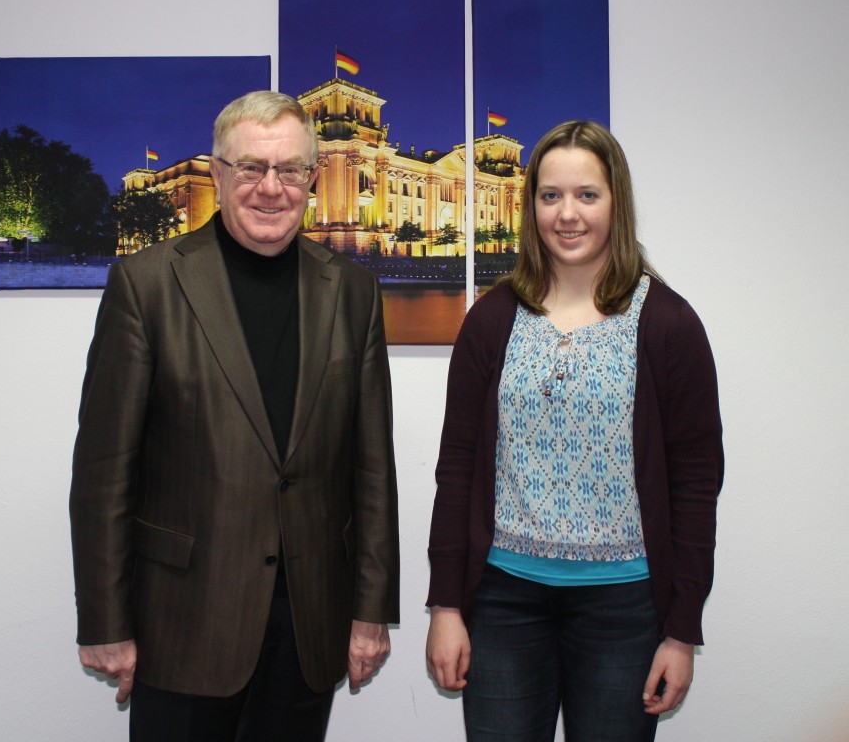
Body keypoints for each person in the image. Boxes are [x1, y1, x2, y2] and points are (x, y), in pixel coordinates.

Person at [70, 90, 400, 742]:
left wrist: (370, 611)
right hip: (183, 620)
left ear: (311, 179)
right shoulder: (146, 285)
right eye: (251, 168)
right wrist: (105, 620)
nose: (269, 188)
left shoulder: (353, 291)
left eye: (288, 171)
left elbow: (371, 466)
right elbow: (106, 471)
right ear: (218, 175)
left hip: (309, 622)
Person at [425, 121, 723, 741]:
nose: (568, 214)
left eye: (587, 195)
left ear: (617, 202)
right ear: (530, 204)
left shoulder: (667, 324)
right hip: (503, 603)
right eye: (550, 195)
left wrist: (682, 628)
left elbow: (697, 484)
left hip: (626, 609)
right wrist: (447, 606)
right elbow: (456, 467)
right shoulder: (491, 319)